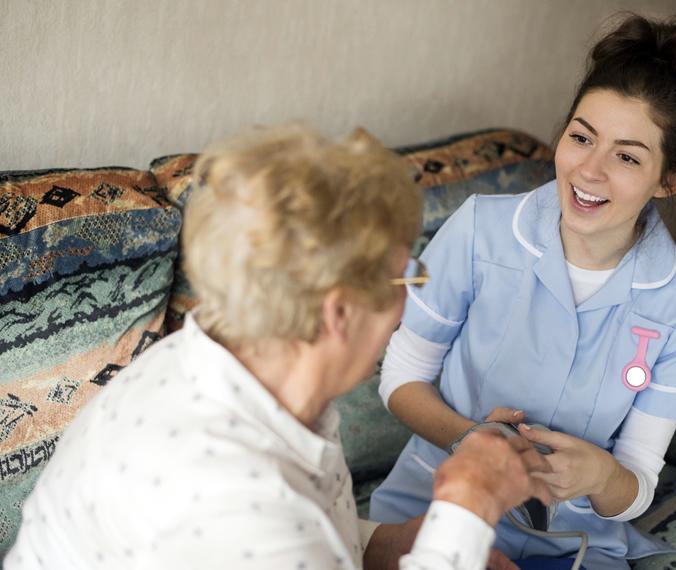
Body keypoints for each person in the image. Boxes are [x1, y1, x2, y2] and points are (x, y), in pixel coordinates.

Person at [6, 125, 552, 570]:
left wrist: (395, 544)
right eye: (403, 278)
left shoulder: (244, 379)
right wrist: (467, 508)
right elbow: (266, 526)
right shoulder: (222, 492)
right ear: (338, 313)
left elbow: (309, 531)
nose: (408, 306)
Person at [370, 14, 676, 569]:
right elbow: (401, 377)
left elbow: (637, 480)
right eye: (581, 137)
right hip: (434, 504)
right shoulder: (479, 230)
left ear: (669, 180)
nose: (589, 170)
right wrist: (469, 442)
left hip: (574, 543)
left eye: (627, 156)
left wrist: (603, 475)